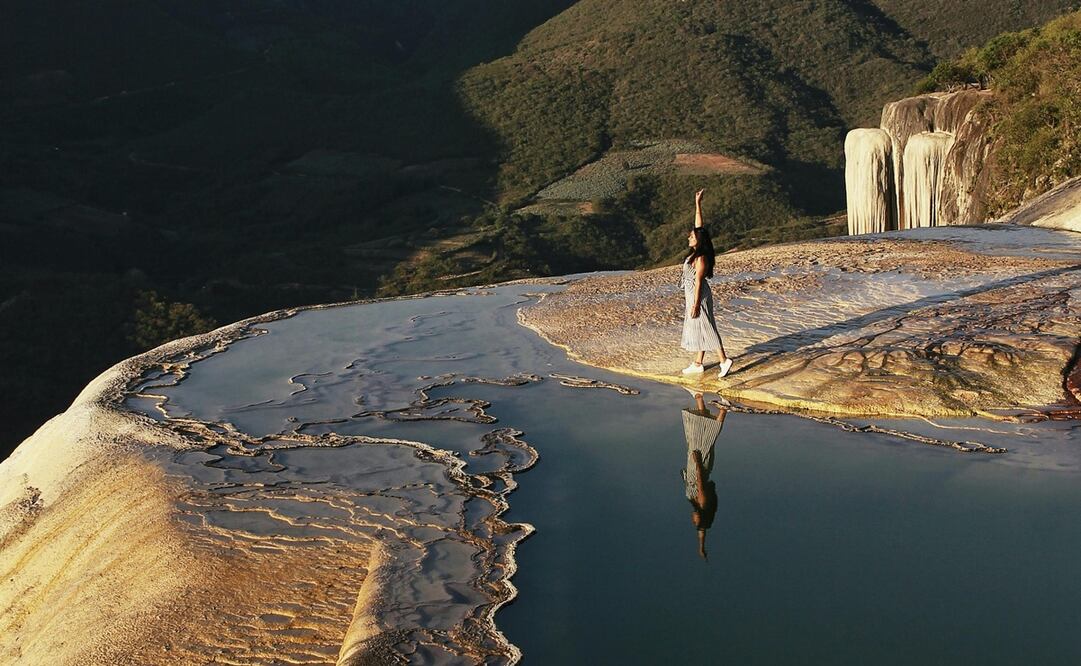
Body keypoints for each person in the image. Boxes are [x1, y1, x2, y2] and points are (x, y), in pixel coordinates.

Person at [680, 189, 733, 378]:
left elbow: (699, 283)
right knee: (700, 326)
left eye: (692, 237)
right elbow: (699, 227)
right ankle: (698, 363)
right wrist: (697, 204)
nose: (689, 238)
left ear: (698, 240)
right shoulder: (697, 252)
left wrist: (695, 305)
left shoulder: (701, 258)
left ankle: (724, 360)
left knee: (707, 326)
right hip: (692, 294)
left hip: (699, 295)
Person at [681, 391, 727, 560]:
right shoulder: (701, 502)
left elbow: (702, 529)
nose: (692, 520)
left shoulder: (697, 506)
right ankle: (724, 409)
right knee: (708, 437)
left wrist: (701, 546)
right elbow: (700, 482)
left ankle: (699, 399)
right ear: (700, 517)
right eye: (695, 521)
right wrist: (698, 462)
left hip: (695, 465)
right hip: (699, 465)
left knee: (698, 433)